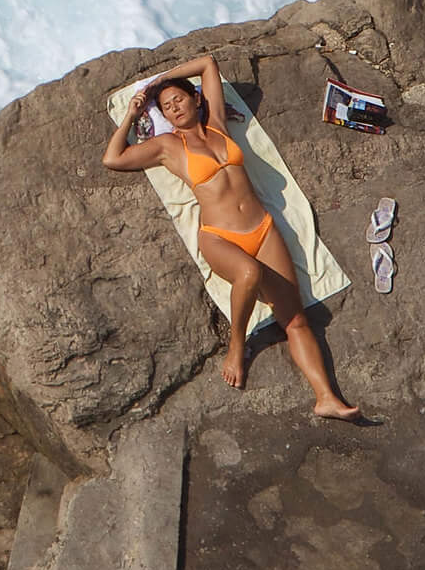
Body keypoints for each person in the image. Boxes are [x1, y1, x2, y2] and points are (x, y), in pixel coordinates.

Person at [102, 53, 362, 421]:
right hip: (220, 237)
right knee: (249, 275)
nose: (174, 107)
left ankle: (326, 399)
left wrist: (159, 82)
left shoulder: (220, 124)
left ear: (196, 100)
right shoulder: (167, 148)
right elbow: (113, 159)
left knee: (297, 321)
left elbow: (207, 63)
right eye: (166, 106)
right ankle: (237, 344)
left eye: (179, 99)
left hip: (263, 230)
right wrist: (134, 110)